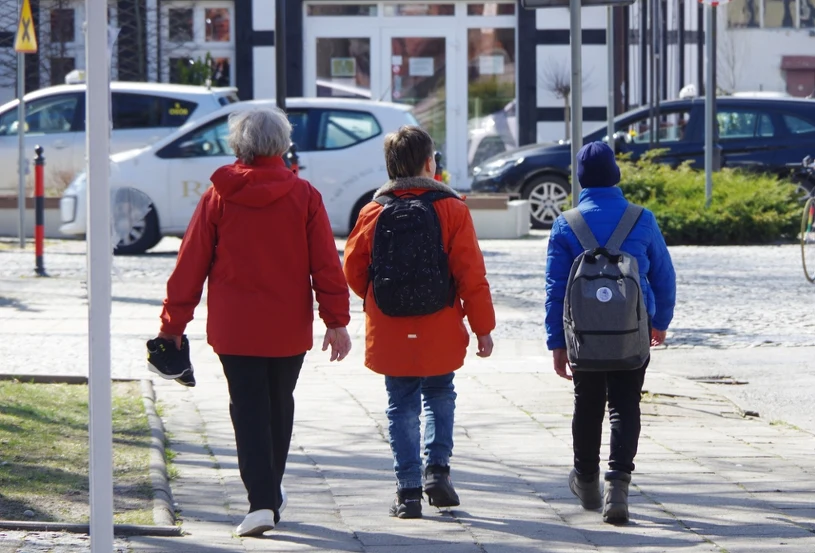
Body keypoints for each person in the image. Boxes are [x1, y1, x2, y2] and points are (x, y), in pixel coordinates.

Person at [151, 107, 352, 537]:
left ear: (238, 144)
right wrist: (336, 320)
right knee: (280, 405)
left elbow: (191, 264)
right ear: (283, 144)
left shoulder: (219, 196)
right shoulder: (305, 196)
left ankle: (262, 500)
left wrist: (173, 325)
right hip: (287, 326)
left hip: (235, 327)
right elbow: (326, 265)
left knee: (248, 409)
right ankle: (268, 496)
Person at [343, 125, 496, 519]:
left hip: (391, 324)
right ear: (430, 163)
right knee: (440, 393)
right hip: (439, 321)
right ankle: (438, 471)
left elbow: (353, 269)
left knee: (400, 405)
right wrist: (483, 328)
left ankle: (408, 491)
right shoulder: (452, 209)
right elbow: (470, 275)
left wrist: (377, 298)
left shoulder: (372, 211)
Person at [545, 141, 676, 524]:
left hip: (583, 336)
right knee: (625, 405)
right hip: (631, 330)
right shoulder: (642, 218)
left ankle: (586, 482)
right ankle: (617, 487)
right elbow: (664, 275)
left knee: (586, 403)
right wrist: (660, 320)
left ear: (580, 180)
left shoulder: (566, 224)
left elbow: (555, 291)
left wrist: (557, 342)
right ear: (616, 175)